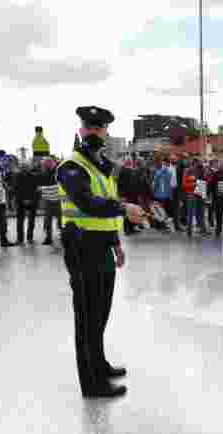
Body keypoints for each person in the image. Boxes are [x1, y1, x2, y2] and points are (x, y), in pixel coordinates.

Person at [58, 105, 147, 398]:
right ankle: (92, 384)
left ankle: (100, 365)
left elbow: (106, 207)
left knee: (101, 313)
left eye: (100, 128)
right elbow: (86, 203)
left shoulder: (101, 165)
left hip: (102, 247)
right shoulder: (71, 167)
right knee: (87, 317)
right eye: (89, 126)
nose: (95, 132)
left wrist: (116, 243)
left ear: (106, 132)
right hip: (82, 248)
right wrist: (124, 208)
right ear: (80, 130)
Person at [37, 157, 63, 245]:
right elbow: (41, 183)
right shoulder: (44, 173)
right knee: (48, 220)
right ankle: (48, 237)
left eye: (44, 165)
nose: (43, 167)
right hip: (49, 199)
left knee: (60, 219)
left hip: (58, 199)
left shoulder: (59, 171)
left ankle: (62, 235)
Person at [13, 162, 40, 244]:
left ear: (28, 167)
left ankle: (30, 238)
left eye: (26, 166)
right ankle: (20, 239)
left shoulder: (33, 176)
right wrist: (23, 200)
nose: (24, 168)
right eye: (23, 166)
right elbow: (16, 189)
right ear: (20, 168)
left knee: (31, 221)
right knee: (20, 221)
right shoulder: (16, 176)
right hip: (20, 201)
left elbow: (36, 190)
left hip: (32, 201)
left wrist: (32, 200)